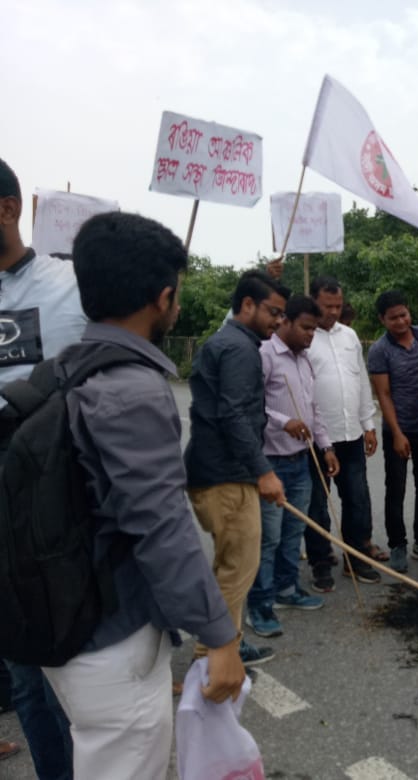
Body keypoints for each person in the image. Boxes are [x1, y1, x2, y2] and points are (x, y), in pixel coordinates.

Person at [43, 211, 245, 778]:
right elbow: (163, 530)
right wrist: (219, 636)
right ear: (163, 299)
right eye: (177, 294)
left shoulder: (69, 367)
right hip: (111, 637)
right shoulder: (132, 389)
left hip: (68, 621)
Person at [0, 157, 78, 780]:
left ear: (8, 209)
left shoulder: (68, 286)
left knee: (69, 670)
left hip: (55, 495)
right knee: (23, 673)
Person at [185, 270, 289, 667]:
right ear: (247, 305)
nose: (278, 321)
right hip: (225, 476)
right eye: (273, 312)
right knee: (238, 567)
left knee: (229, 564)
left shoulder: (229, 341)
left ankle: (225, 642)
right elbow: (233, 415)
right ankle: (213, 655)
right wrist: (263, 471)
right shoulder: (240, 349)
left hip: (219, 472)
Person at [246, 295, 338, 639]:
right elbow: (253, 404)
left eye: (314, 329)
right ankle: (260, 603)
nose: (310, 335)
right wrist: (283, 421)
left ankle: (287, 590)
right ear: (284, 321)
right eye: (305, 327)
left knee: (292, 534)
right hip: (270, 461)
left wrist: (325, 446)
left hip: (302, 460)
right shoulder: (264, 355)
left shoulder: (305, 360)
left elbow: (313, 409)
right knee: (267, 538)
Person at [305, 277, 383, 588]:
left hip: (351, 434)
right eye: (328, 306)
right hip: (315, 438)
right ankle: (320, 562)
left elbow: (361, 380)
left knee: (357, 499)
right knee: (316, 504)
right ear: (313, 302)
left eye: (338, 306)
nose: (334, 312)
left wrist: (368, 423)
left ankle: (356, 558)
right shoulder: (303, 336)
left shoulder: (349, 336)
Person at [368, 290, 418, 571]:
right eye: (393, 318)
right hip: (398, 430)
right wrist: (398, 433)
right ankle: (397, 544)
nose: (400, 321)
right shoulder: (379, 350)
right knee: (396, 489)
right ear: (382, 319)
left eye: (403, 314)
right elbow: (384, 394)